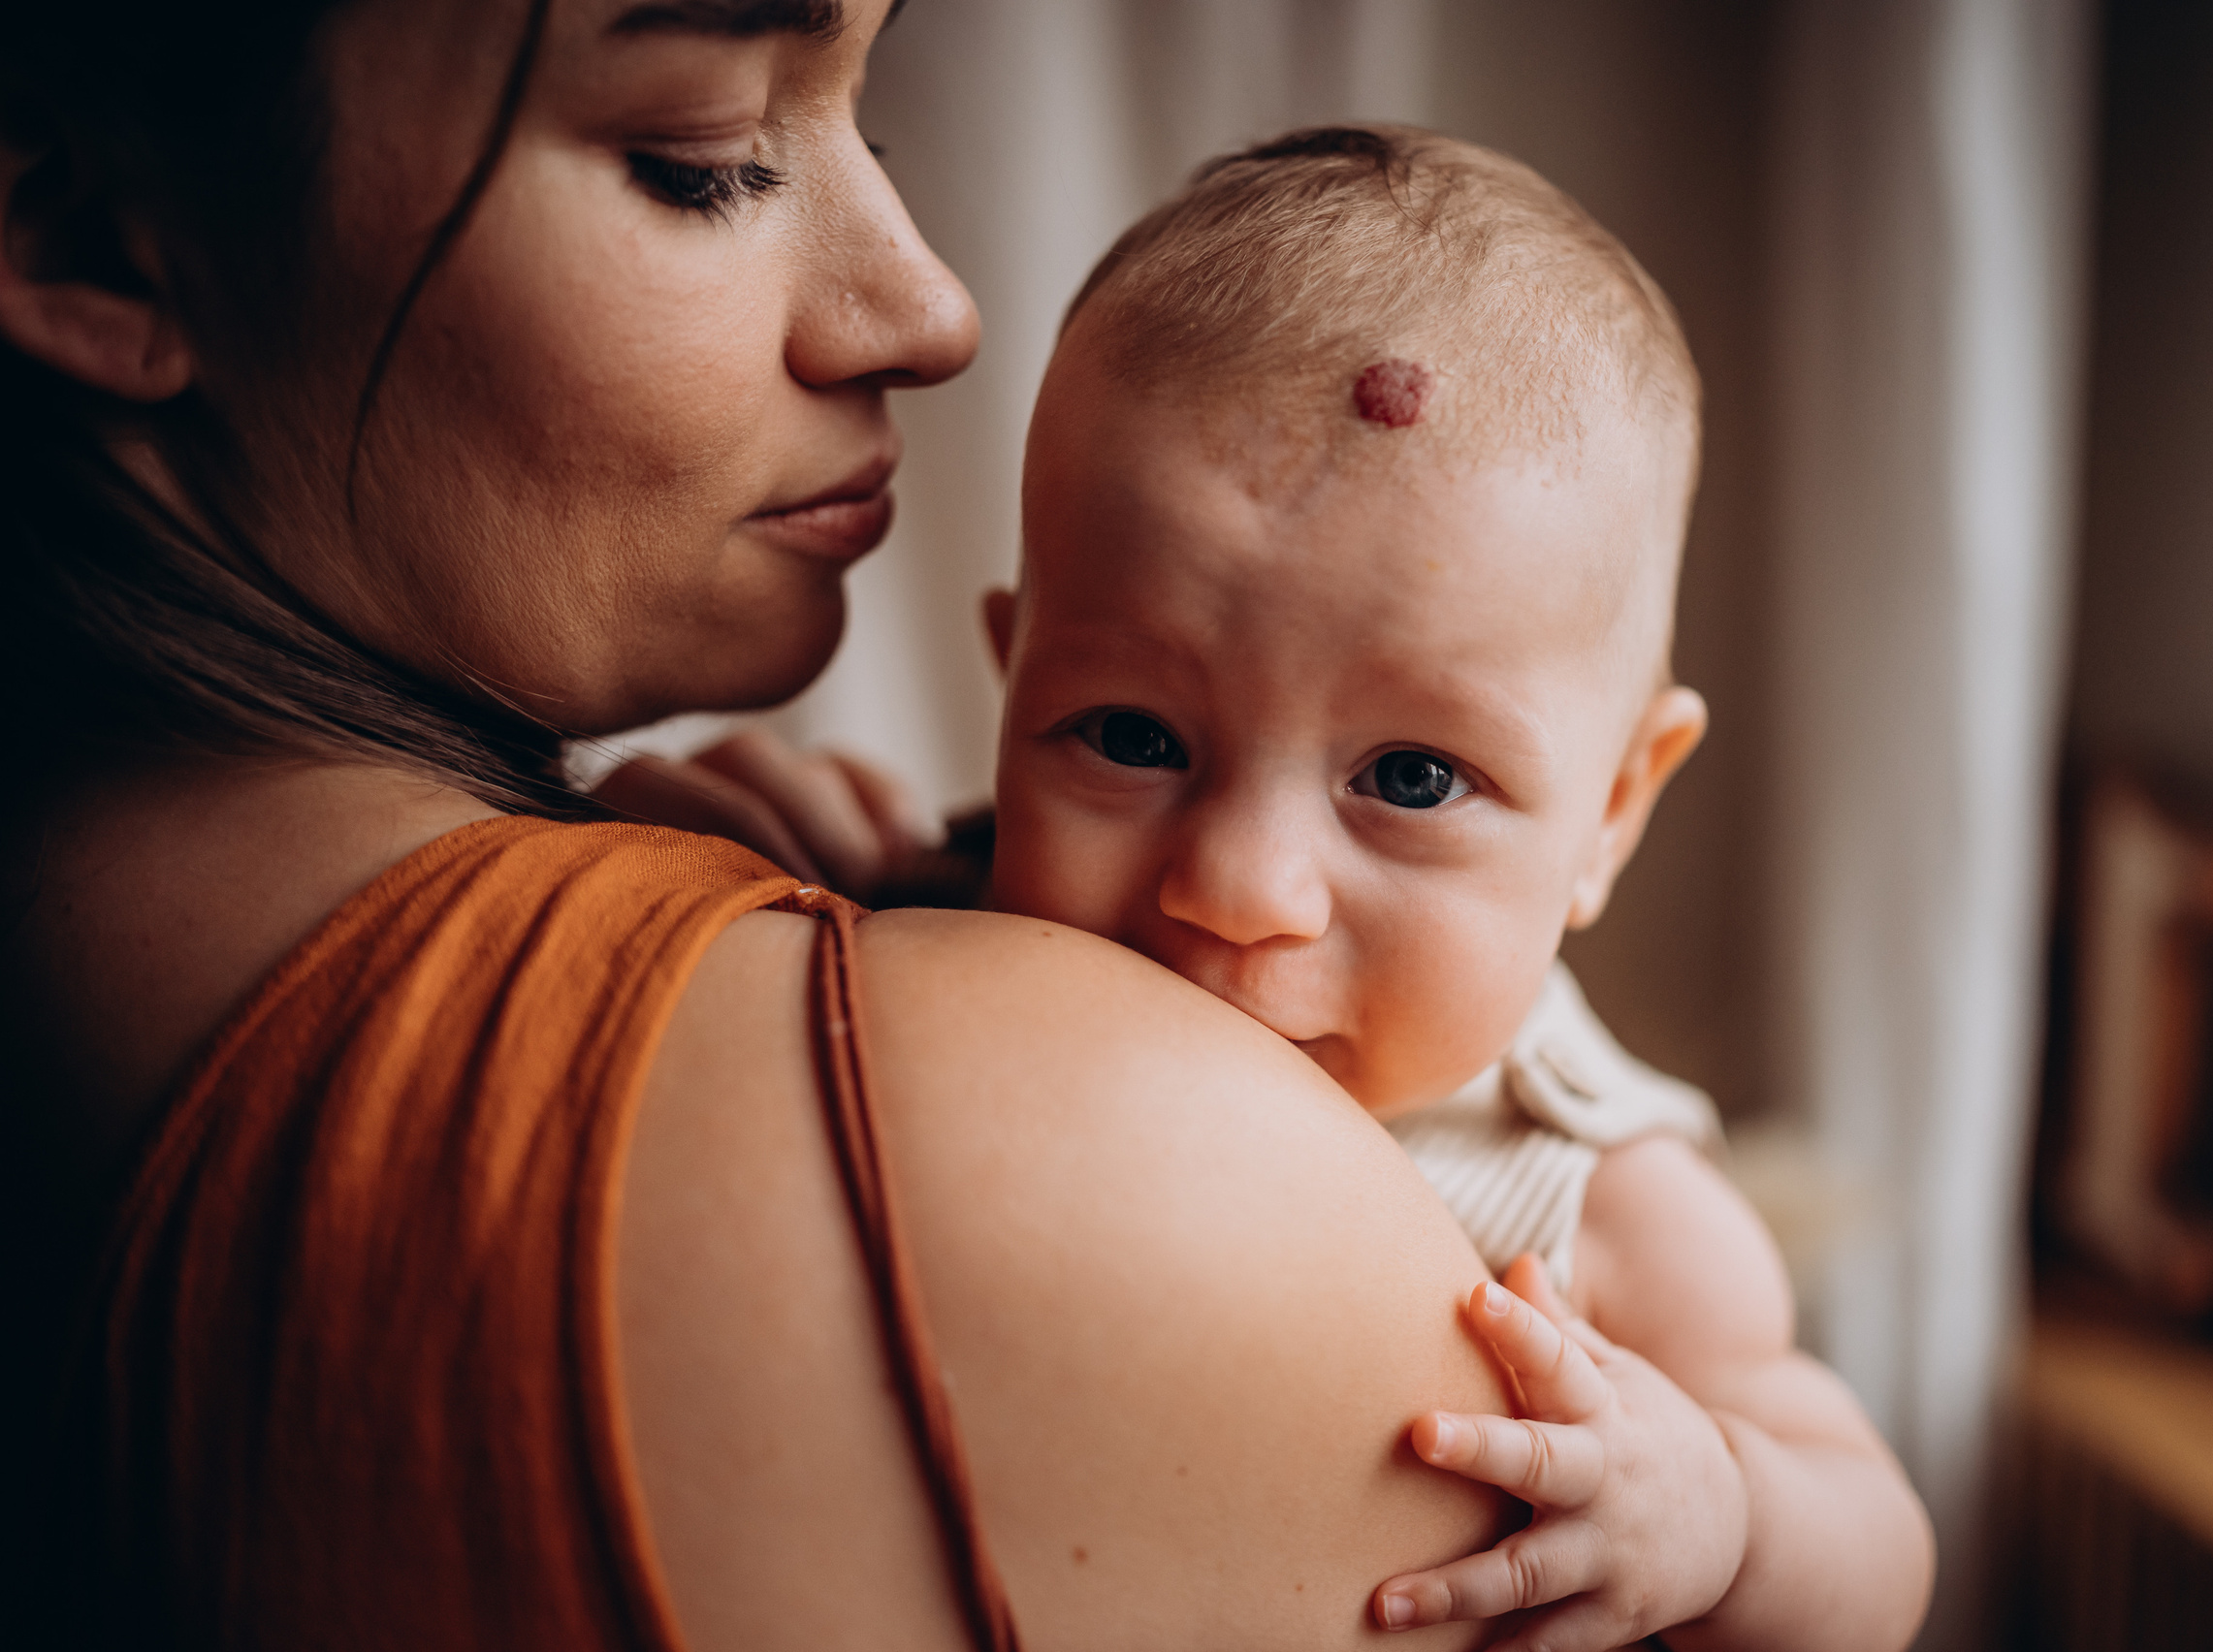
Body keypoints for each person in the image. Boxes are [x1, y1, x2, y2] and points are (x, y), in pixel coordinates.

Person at [0, 3, 1531, 1647]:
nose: (929, 310)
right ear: (100, 243)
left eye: (870, 129)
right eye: (707, 164)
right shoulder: (1110, 1175)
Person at [971, 127, 1934, 1650]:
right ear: (1009, 683)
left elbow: (1880, 1556)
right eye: (1134, 737)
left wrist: (1723, 1514)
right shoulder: (945, 924)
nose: (1239, 888)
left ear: (1613, 811)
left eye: (1410, 778)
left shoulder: (1597, 1209)